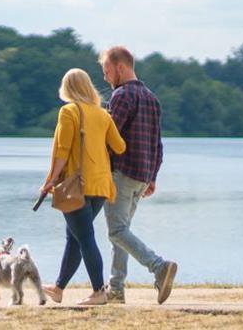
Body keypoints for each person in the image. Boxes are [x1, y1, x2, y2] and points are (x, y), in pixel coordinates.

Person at [38, 68, 126, 306]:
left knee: (84, 237)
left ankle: (99, 292)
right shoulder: (103, 114)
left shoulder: (69, 111)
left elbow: (63, 152)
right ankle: (58, 288)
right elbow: (119, 147)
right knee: (75, 237)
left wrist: (49, 182)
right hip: (100, 186)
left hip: (76, 185)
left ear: (67, 88)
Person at [99, 45, 178, 304]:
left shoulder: (122, 96)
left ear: (121, 67)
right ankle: (116, 289)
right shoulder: (151, 97)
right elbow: (158, 143)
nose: (105, 77)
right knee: (123, 231)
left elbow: (108, 137)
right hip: (142, 176)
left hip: (122, 173)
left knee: (116, 232)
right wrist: (152, 177)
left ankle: (158, 266)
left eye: (107, 70)